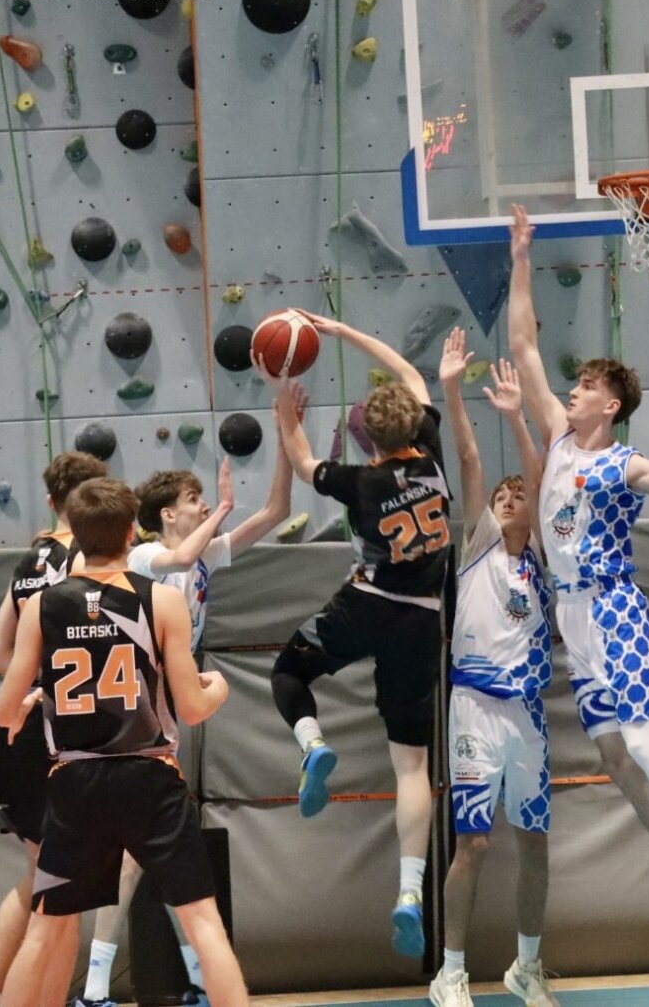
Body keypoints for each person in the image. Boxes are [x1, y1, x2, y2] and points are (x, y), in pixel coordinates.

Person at [504, 203, 649, 948]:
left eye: (584, 386)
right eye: (571, 385)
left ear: (610, 404)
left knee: (642, 742)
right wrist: (520, 257)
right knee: (612, 755)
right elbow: (522, 344)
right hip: (572, 619)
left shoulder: (623, 463)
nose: (570, 391)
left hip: (614, 611)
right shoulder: (558, 438)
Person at [0, 478, 247, 1007]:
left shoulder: (41, 606)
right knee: (204, 923)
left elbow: (1, 710)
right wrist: (219, 688)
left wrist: (30, 700)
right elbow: (193, 708)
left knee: (44, 930)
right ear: (132, 531)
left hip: (76, 779)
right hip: (149, 775)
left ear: (74, 534)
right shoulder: (161, 601)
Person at [80, 419, 297, 1007]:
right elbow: (179, 556)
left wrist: (286, 435)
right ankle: (110, 986)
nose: (203, 506)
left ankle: (169, 982)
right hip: (130, 707)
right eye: (193, 499)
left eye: (205, 499)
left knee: (153, 851)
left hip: (164, 705)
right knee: (140, 851)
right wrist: (221, 508)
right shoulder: (147, 553)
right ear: (167, 514)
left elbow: (275, 511)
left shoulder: (203, 554)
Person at [263, 313, 452, 958]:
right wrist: (343, 331)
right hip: (422, 618)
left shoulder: (361, 482)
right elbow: (405, 371)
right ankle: (410, 891)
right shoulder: (433, 456)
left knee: (288, 671)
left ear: (366, 436)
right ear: (414, 426)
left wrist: (282, 398)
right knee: (412, 766)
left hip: (366, 605)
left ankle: (313, 744)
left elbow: (302, 461)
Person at [429, 331, 557, 1007]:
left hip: (529, 714)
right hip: (476, 706)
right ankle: (450, 972)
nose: (507, 499)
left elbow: (542, 479)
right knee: (473, 843)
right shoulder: (479, 543)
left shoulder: (545, 559)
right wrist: (452, 389)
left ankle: (527, 966)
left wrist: (518, 417)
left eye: (518, 495)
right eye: (501, 496)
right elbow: (470, 459)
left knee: (535, 842)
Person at [0, 451, 109, 1007]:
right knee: (63, 894)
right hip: (66, 735)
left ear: (51, 501)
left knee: (43, 878)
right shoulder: (92, 559)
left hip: (19, 734)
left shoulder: (29, 561)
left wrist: (36, 679)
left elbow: (0, 654)